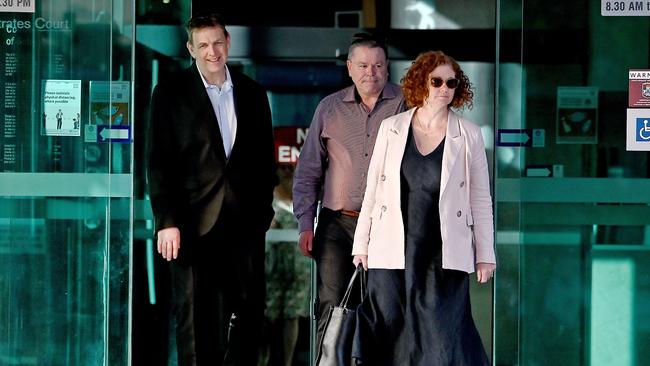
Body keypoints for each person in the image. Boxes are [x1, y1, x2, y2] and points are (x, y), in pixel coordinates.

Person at [147, 13, 277, 366]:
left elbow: (265, 160)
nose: (212, 51)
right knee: (193, 316)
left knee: (249, 314)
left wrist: (262, 214)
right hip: (191, 224)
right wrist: (166, 220)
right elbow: (159, 162)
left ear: (228, 42)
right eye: (202, 45)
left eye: (217, 42)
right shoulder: (170, 93)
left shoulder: (253, 93)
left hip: (244, 226)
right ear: (191, 49)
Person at [351, 50, 497, 365]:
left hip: (442, 248)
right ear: (422, 82)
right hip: (392, 246)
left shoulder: (468, 134)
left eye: (451, 83)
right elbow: (373, 190)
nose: (444, 88)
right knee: (390, 326)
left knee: (440, 331)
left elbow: (481, 198)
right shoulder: (392, 128)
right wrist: (361, 245)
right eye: (437, 81)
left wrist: (485, 254)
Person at [292, 32, 405, 343]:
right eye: (364, 65)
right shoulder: (329, 108)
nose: (371, 72)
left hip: (389, 225)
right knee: (332, 307)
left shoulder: (407, 106)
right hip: (337, 225)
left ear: (387, 67)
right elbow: (308, 171)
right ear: (350, 68)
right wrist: (305, 224)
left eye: (379, 66)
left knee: (385, 308)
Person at [263, 163, 310, 366]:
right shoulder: (270, 197)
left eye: (292, 167)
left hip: (298, 267)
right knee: (268, 316)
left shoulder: (304, 194)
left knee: (292, 316)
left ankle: (287, 362)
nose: (288, 171)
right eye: (283, 167)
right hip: (271, 268)